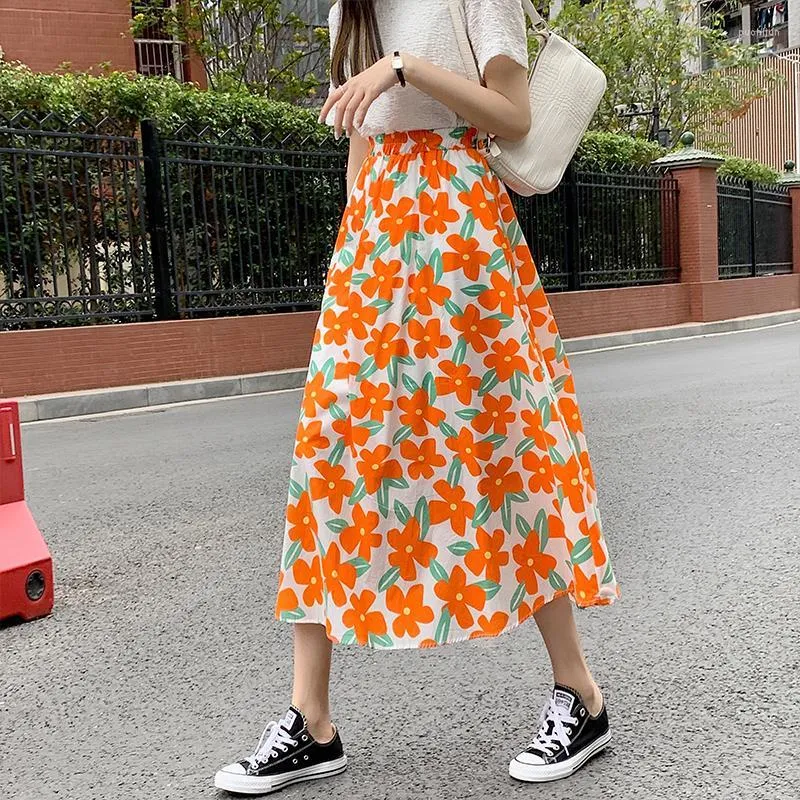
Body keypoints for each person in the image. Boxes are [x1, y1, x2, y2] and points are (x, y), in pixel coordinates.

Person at [215, 0, 619, 794]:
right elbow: (361, 145)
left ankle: (580, 693)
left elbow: (512, 114)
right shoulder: (349, 8)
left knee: (506, 455)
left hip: (463, 241)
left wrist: (404, 69)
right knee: (329, 460)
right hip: (374, 248)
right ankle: (311, 721)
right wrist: (349, 265)